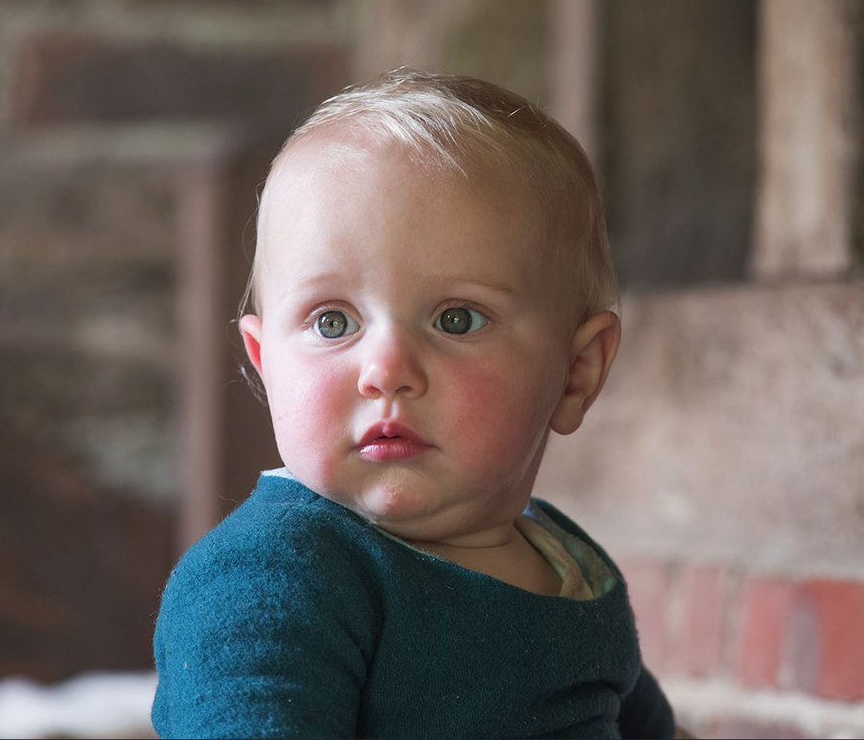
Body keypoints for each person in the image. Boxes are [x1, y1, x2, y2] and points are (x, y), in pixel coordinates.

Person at [151, 69, 679, 739]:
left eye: (456, 319)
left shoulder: (569, 564)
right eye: (333, 322)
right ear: (266, 364)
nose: (386, 370)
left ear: (575, 373)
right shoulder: (272, 577)